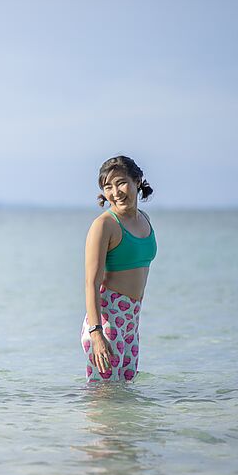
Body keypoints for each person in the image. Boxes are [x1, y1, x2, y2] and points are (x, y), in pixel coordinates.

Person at [81, 156, 157, 382]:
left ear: (137, 181)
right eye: (108, 187)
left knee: (124, 401)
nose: (115, 192)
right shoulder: (104, 225)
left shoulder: (144, 219)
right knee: (104, 398)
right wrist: (96, 334)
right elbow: (91, 283)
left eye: (121, 183)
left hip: (131, 322)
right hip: (107, 323)